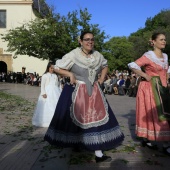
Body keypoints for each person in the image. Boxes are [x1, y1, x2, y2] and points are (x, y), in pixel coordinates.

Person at [44, 31, 124, 163]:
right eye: (86, 39)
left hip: (94, 91)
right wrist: (69, 74)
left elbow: (105, 65)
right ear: (80, 41)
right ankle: (78, 144)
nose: (90, 42)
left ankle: (98, 153)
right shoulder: (73, 55)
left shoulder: (97, 55)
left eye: (92, 39)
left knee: (94, 120)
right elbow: (56, 67)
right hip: (76, 91)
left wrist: (103, 77)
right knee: (76, 120)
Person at [128, 32, 170, 155]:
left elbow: (166, 70)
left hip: (162, 88)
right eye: (161, 39)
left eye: (165, 40)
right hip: (150, 88)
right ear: (153, 42)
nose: (164, 42)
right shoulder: (148, 56)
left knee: (164, 112)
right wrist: (145, 75)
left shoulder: (165, 56)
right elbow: (133, 65)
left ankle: (152, 139)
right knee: (157, 113)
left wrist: (167, 79)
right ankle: (164, 143)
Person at [32, 62, 61, 127]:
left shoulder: (55, 76)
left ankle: (55, 120)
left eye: (53, 68)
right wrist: (43, 93)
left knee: (55, 105)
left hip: (55, 92)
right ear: (48, 68)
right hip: (47, 91)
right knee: (47, 105)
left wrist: (59, 91)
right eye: (50, 68)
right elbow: (42, 85)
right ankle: (47, 120)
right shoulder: (45, 75)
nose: (52, 69)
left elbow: (58, 84)